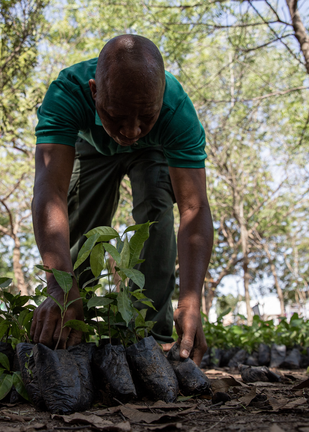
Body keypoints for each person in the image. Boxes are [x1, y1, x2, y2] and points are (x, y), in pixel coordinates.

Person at [29, 34, 212, 365]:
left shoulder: (176, 112)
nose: (130, 132)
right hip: (91, 145)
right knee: (80, 220)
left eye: (146, 116)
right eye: (118, 115)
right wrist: (58, 284)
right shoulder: (67, 93)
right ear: (94, 92)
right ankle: (71, 324)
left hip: (154, 150)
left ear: (160, 103)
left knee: (157, 215)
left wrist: (191, 298)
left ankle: (151, 337)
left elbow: (194, 207)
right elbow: (49, 190)